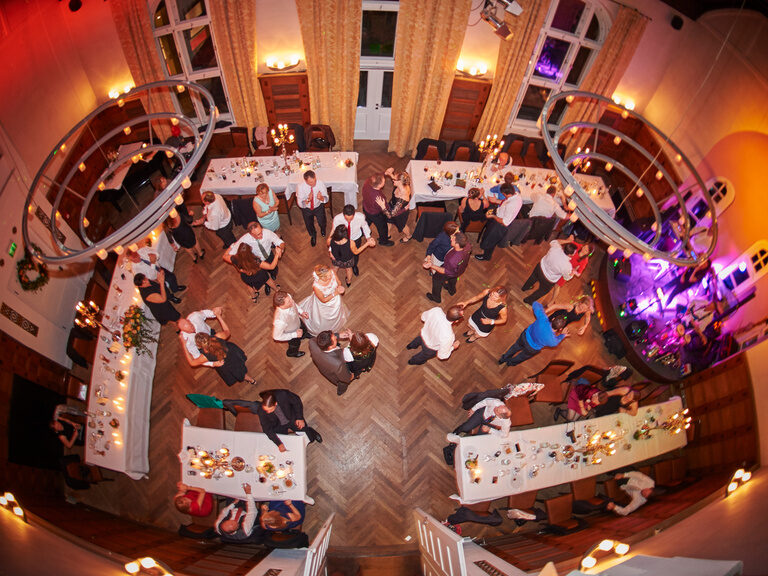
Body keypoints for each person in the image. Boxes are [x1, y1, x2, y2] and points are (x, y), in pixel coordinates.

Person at [223, 389, 322, 451]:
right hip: (278, 426)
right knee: (285, 443)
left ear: (275, 404)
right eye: (266, 410)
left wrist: (300, 417)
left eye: (270, 410)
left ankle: (312, 432)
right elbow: (267, 429)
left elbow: (296, 401)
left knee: (305, 432)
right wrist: (278, 443)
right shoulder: (262, 411)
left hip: (292, 418)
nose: (267, 412)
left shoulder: (283, 395)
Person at [184, 321, 256, 386]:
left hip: (226, 364)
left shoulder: (204, 356)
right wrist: (219, 316)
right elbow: (227, 331)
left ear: (199, 346)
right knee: (239, 364)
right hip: (232, 352)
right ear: (207, 335)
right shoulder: (218, 336)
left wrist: (184, 345)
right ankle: (250, 378)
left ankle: (252, 381)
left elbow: (192, 363)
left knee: (240, 374)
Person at [499, 301, 569, 367]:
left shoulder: (543, 318)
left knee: (515, 347)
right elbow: (558, 340)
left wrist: (544, 311)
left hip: (524, 336)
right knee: (521, 357)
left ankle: (503, 359)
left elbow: (535, 304)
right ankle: (510, 363)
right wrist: (563, 335)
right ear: (560, 329)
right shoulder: (553, 341)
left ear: (553, 319)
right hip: (532, 349)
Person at [224, 221, 285, 296]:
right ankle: (268, 284)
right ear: (251, 234)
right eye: (258, 234)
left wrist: (280, 249)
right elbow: (231, 254)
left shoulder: (267, 233)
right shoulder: (244, 241)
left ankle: (273, 274)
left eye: (261, 231)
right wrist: (233, 246)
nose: (262, 235)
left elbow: (279, 242)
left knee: (273, 270)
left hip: (269, 256)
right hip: (259, 264)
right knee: (265, 277)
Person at [474, 183, 523, 261]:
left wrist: (493, 216)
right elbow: (506, 202)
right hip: (498, 215)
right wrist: (496, 201)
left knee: (491, 241)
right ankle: (484, 243)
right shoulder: (516, 194)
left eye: (503, 194)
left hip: (500, 225)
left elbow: (505, 222)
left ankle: (486, 256)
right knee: (488, 234)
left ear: (506, 194)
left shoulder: (512, 206)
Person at [521, 238, 578, 305]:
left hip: (540, 267)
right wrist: (573, 272)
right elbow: (567, 278)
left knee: (533, 278)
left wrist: (568, 241)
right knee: (542, 291)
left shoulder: (556, 247)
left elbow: (554, 241)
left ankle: (525, 287)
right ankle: (528, 300)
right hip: (548, 280)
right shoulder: (568, 266)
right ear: (570, 255)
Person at [299, 264, 348, 336]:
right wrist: (335, 293)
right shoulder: (316, 286)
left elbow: (338, 282)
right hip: (323, 305)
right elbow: (323, 300)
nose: (331, 276)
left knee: (336, 313)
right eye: (328, 276)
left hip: (335, 300)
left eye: (330, 274)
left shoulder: (331, 272)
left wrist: (339, 287)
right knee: (323, 318)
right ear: (322, 277)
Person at [329, 204, 374, 277]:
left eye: (351, 219)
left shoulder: (361, 217)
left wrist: (368, 237)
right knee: (343, 255)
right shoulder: (337, 219)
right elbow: (333, 234)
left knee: (355, 254)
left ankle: (354, 265)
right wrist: (330, 249)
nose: (348, 221)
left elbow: (365, 226)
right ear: (343, 214)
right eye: (346, 219)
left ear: (354, 214)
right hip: (342, 241)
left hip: (356, 238)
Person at [425, 232, 471, 303]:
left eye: (452, 240)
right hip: (459, 270)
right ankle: (451, 290)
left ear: (457, 244)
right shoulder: (467, 246)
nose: (450, 239)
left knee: (436, 279)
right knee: (453, 278)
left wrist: (431, 266)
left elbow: (445, 271)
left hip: (448, 272)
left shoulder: (452, 260)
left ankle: (436, 297)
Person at [308, 330, 354, 395]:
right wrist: (351, 376)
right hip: (334, 376)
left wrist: (338, 335)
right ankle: (340, 392)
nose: (336, 337)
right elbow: (346, 379)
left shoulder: (311, 342)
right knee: (343, 385)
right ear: (330, 347)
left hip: (322, 366)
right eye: (335, 339)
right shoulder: (338, 364)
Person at [375, 167, 412, 243]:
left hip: (399, 213)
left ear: (400, 182)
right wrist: (388, 172)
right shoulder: (401, 183)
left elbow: (391, 214)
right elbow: (394, 177)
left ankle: (409, 236)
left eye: (394, 180)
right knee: (388, 221)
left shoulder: (403, 197)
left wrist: (383, 206)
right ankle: (387, 235)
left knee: (402, 225)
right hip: (393, 206)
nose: (392, 180)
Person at [272, 290, 310, 358]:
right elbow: (276, 336)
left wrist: (301, 312)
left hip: (298, 322)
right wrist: (294, 335)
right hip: (291, 332)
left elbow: (294, 304)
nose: (292, 301)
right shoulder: (280, 321)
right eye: (289, 302)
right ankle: (292, 353)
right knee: (295, 344)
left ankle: (304, 335)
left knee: (304, 329)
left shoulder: (288, 297)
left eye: (290, 298)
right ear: (281, 305)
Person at [296, 170, 328, 246]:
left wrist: (321, 198)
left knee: (322, 221)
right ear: (306, 181)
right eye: (311, 182)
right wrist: (308, 200)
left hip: (318, 206)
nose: (314, 184)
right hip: (306, 209)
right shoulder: (300, 187)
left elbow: (326, 197)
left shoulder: (320, 183)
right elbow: (300, 203)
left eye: (314, 181)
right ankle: (313, 235)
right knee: (309, 224)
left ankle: (323, 229)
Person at [361, 172, 394, 246]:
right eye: (384, 181)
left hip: (366, 208)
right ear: (379, 185)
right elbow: (386, 210)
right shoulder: (378, 198)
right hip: (375, 214)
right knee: (383, 227)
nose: (385, 181)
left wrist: (385, 173)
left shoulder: (368, 182)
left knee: (367, 222)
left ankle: (362, 233)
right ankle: (383, 241)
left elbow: (376, 177)